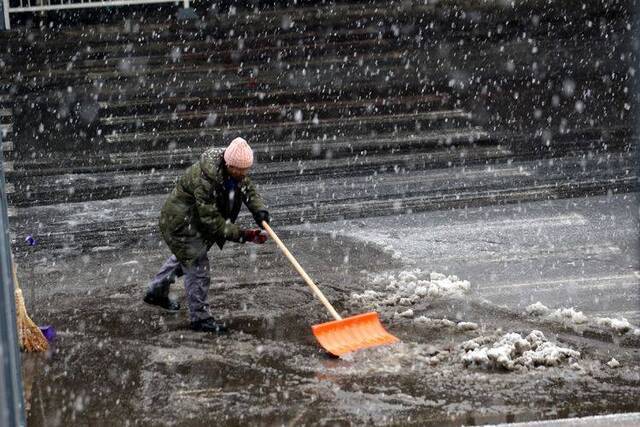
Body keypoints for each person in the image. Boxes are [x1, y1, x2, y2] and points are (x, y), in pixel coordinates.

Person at [144, 137, 270, 333]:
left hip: (191, 222)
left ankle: (156, 291)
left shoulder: (235, 169)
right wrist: (245, 235)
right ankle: (200, 319)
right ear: (229, 164)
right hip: (180, 223)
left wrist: (259, 210)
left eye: (246, 170)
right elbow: (212, 221)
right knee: (198, 267)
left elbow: (247, 189)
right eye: (239, 171)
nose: (243, 174)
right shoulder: (207, 179)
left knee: (186, 257)